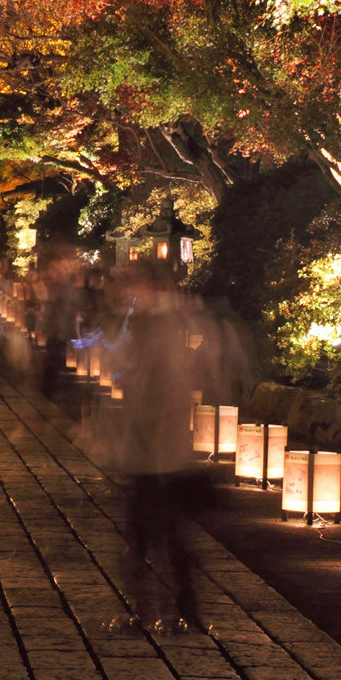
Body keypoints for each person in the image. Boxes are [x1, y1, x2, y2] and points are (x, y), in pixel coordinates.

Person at [97, 265, 212, 634]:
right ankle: (165, 612)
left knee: (156, 541)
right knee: (154, 540)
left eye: (136, 285)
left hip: (159, 455)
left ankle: (164, 613)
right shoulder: (149, 325)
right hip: (152, 453)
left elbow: (163, 395)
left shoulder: (160, 329)